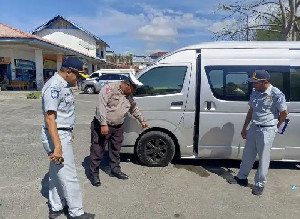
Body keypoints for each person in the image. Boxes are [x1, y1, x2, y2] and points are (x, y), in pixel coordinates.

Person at [41, 57, 95, 219]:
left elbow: (62, 113)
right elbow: (50, 117)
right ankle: (76, 212)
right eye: (77, 76)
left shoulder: (63, 85)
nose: (78, 80)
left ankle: (56, 207)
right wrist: (58, 145)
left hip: (61, 131)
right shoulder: (54, 87)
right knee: (69, 175)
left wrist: (68, 128)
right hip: (56, 135)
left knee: (56, 173)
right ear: (68, 72)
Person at [227, 70, 288, 196]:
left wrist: (276, 126)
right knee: (247, 154)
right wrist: (244, 128)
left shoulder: (276, 93)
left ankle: (260, 184)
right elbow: (251, 110)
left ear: (264, 82)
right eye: (253, 82)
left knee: (263, 158)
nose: (253, 84)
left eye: (256, 82)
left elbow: (284, 113)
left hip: (267, 129)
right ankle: (242, 177)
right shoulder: (255, 91)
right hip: (254, 127)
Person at [89, 73, 148, 187]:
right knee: (98, 149)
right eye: (133, 89)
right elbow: (101, 106)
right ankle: (94, 174)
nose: (133, 92)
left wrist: (142, 120)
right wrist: (103, 124)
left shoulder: (128, 95)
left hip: (118, 126)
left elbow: (133, 108)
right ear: (127, 84)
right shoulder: (109, 88)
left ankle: (115, 169)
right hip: (103, 125)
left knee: (116, 150)